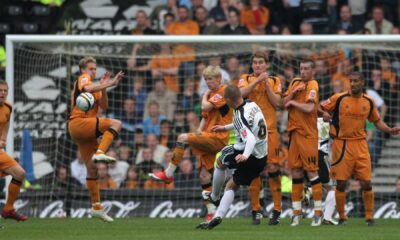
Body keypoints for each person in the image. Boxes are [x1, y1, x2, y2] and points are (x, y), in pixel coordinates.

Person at [150, 65, 233, 221]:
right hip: (208, 136)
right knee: (203, 176)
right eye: (206, 79)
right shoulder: (212, 94)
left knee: (182, 138)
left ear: (219, 79)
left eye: (211, 79)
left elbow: (204, 106)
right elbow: (205, 116)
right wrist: (198, 132)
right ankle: (211, 212)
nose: (208, 82)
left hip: (219, 137)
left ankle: (168, 174)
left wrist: (205, 95)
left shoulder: (223, 91)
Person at [320, 71, 400, 226]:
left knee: (366, 183)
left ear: (362, 82)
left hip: (361, 145)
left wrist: (389, 130)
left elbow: (376, 121)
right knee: (342, 183)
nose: (353, 84)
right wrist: (324, 114)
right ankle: (342, 217)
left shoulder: (369, 101)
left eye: (356, 81)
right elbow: (321, 107)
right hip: (341, 144)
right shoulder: (339, 98)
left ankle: (369, 218)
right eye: (351, 81)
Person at [196, 84, 267, 230]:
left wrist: (245, 155)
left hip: (248, 152)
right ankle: (218, 217)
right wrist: (225, 127)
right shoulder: (252, 104)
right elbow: (244, 123)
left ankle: (214, 197)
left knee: (220, 159)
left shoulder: (239, 115)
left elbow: (250, 138)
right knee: (231, 185)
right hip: (262, 157)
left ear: (228, 99)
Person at [68, 57, 124, 222]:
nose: (93, 71)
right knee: (116, 123)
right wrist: (111, 82)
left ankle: (96, 208)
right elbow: (87, 87)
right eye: (91, 68)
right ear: (83, 70)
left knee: (92, 170)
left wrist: (105, 88)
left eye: (94, 68)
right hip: (79, 123)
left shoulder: (96, 87)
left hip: (83, 131)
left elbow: (104, 106)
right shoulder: (84, 79)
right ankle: (100, 151)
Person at [238, 51, 282, 225]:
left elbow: (278, 103)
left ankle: (277, 209)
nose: (257, 65)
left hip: (270, 132)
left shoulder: (275, 81)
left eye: (260, 62)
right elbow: (241, 95)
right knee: (254, 169)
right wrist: (257, 81)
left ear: (267, 65)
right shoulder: (245, 78)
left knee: (272, 168)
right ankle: (256, 209)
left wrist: (266, 85)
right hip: (251, 133)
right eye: (255, 62)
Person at [283, 59, 323, 226]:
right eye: (301, 69)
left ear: (312, 71)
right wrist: (292, 95)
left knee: (312, 173)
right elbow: (283, 103)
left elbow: (309, 108)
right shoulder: (294, 82)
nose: (303, 71)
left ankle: (318, 213)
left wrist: (293, 102)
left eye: (307, 69)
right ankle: (296, 213)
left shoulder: (313, 85)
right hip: (294, 134)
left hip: (308, 135)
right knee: (296, 173)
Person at [0, 80, 28, 221]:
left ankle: (8, 209)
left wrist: (3, 139)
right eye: (0, 90)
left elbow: (6, 123)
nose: (3, 93)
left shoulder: (8, 107)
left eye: (5, 90)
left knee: (19, 173)